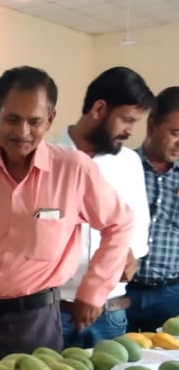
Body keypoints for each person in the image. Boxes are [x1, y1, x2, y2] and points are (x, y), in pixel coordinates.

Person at [0, 66, 134, 370]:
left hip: (32, 324)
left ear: (49, 119)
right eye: (12, 119)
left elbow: (120, 224)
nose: (22, 131)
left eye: (34, 121)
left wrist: (94, 290)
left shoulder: (74, 170)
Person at [55, 67, 152, 347]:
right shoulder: (48, 157)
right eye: (126, 120)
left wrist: (132, 254)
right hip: (54, 312)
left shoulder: (129, 163)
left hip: (109, 313)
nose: (130, 131)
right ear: (99, 109)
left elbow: (137, 230)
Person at [127, 87, 179, 331]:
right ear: (151, 126)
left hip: (170, 295)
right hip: (121, 291)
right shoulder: (123, 168)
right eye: (175, 132)